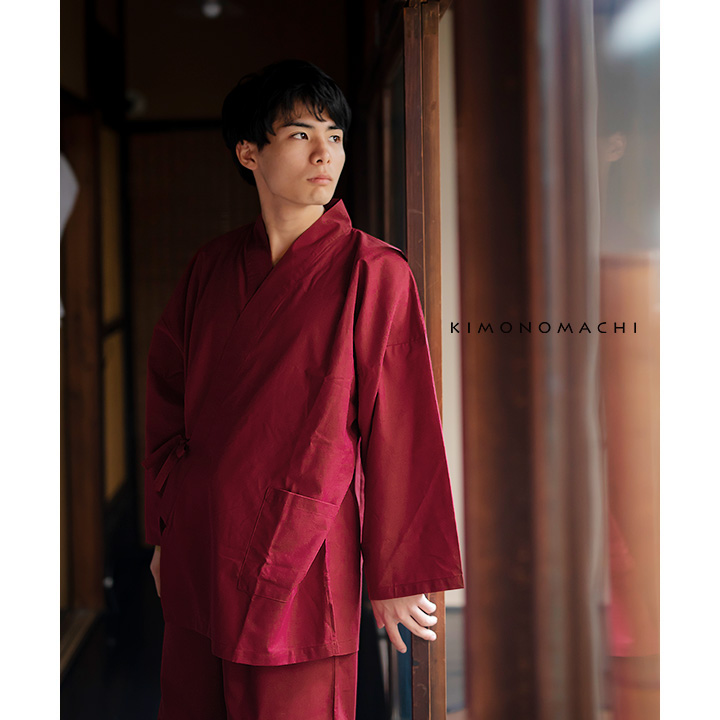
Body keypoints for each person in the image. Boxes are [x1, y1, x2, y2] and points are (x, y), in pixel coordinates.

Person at [144, 59, 464, 720]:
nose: (326, 154)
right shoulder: (209, 268)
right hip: (202, 536)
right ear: (248, 152)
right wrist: (165, 529)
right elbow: (166, 401)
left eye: (335, 136)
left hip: (303, 542)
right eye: (300, 135)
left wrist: (397, 573)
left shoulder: (374, 271)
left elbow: (402, 424)